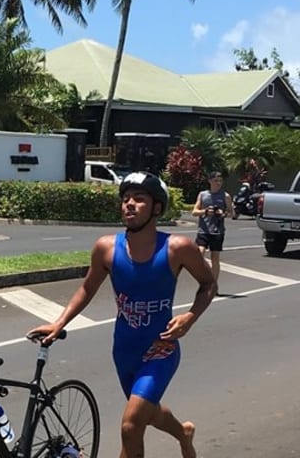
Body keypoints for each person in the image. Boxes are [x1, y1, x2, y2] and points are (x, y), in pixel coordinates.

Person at [29, 172, 216, 458]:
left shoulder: (178, 248)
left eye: (139, 200)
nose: (129, 204)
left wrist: (190, 316)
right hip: (124, 350)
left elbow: (208, 284)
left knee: (130, 425)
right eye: (126, 199)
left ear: (156, 208)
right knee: (146, 414)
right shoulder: (106, 248)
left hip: (161, 349)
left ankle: (179, 434)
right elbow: (87, 288)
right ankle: (183, 433)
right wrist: (60, 321)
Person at [191, 171, 233, 283]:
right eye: (215, 181)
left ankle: (213, 285)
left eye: (220, 181)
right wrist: (205, 212)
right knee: (199, 254)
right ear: (209, 181)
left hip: (217, 231)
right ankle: (204, 279)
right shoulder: (203, 195)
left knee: (215, 258)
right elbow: (194, 212)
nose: (218, 183)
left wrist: (222, 213)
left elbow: (231, 213)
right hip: (203, 230)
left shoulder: (225, 196)